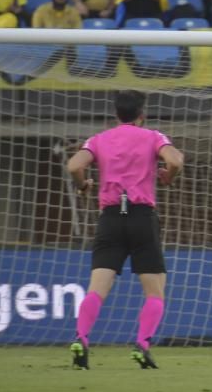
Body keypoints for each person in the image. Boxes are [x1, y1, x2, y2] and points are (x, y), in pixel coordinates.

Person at [65, 91, 185, 370]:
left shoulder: (99, 140)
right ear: (142, 115)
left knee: (97, 288)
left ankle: (81, 339)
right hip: (142, 217)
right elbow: (176, 160)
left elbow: (73, 165)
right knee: (154, 291)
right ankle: (142, 345)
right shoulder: (153, 136)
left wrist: (83, 185)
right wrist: (169, 175)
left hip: (110, 219)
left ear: (116, 115)